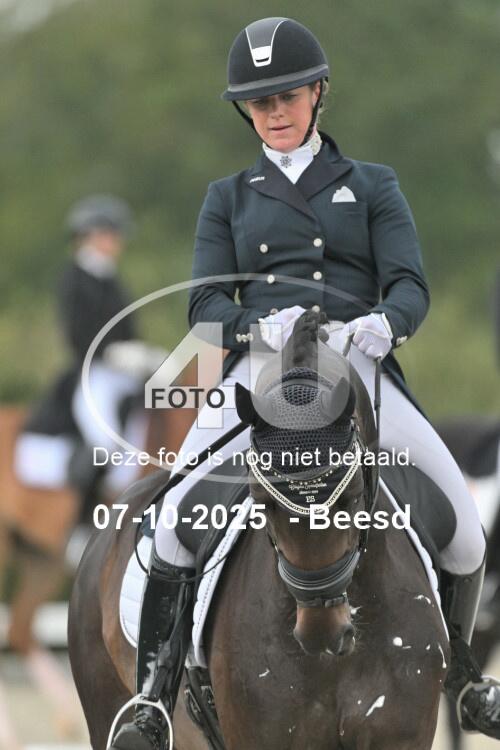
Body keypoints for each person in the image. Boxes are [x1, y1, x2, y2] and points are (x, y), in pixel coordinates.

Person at [111, 17, 500, 750]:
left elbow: (410, 285)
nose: (275, 113)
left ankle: (466, 679)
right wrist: (256, 327)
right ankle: (154, 699)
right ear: (246, 113)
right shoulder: (228, 197)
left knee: (464, 531)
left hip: (358, 371)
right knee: (174, 524)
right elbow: (203, 306)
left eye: (287, 97)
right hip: (260, 376)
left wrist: (386, 324)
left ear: (318, 92)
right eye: (260, 104)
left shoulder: (372, 184)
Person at [15, 194, 145, 513]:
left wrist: (141, 354)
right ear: (91, 236)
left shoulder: (112, 280)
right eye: (110, 234)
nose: (116, 242)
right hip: (93, 375)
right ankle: (83, 522)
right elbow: (78, 335)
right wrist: (112, 353)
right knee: (104, 444)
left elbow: (129, 329)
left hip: (123, 377)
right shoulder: (73, 279)